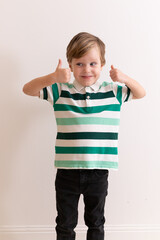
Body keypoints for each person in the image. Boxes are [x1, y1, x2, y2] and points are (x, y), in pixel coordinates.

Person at [23, 32, 146, 240]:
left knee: (96, 222)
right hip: (67, 171)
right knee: (65, 224)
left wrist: (123, 78)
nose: (86, 69)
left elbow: (141, 92)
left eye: (93, 63)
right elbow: (27, 89)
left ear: (102, 64)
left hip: (98, 171)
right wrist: (53, 78)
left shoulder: (113, 91)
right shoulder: (60, 91)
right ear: (70, 65)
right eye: (79, 64)